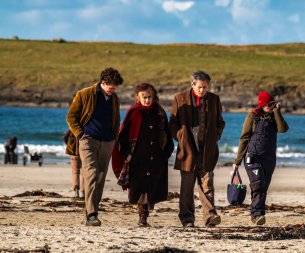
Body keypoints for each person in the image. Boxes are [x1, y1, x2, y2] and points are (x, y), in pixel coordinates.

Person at [66, 67, 123, 226]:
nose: (113, 90)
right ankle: (92, 214)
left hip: (108, 141)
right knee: (91, 174)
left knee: (100, 177)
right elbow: (71, 117)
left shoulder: (114, 98)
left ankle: (92, 213)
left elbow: (116, 119)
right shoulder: (85, 94)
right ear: (103, 82)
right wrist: (80, 135)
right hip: (88, 140)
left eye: (115, 88)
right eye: (111, 87)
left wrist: (115, 138)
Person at [112, 83, 174, 227]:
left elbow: (168, 134)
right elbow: (123, 137)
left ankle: (145, 214)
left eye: (149, 97)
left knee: (153, 188)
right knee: (140, 189)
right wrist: (127, 153)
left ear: (154, 97)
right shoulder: (133, 112)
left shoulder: (160, 112)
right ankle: (142, 217)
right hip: (137, 157)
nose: (147, 100)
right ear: (138, 98)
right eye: (144, 97)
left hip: (157, 157)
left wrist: (166, 154)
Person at [169, 70, 225, 228]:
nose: (203, 90)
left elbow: (220, 122)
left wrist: (216, 136)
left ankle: (210, 216)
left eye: (205, 87)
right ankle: (187, 219)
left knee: (207, 186)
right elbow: (172, 123)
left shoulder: (214, 99)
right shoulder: (179, 98)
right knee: (186, 188)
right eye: (200, 87)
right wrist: (180, 137)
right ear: (192, 85)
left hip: (208, 151)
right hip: (187, 151)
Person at [233, 91, 289, 226]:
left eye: (273, 103)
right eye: (269, 104)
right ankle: (257, 214)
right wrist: (237, 162)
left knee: (263, 186)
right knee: (258, 184)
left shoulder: (274, 117)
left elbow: (283, 129)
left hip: (269, 159)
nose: (271, 106)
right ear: (262, 104)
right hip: (253, 157)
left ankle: (257, 214)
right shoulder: (252, 116)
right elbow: (244, 138)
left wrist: (277, 111)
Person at [64, 130, 84, 198]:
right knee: (83, 173)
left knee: (75, 172)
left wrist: (69, 146)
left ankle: (76, 191)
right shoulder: (84, 131)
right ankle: (83, 191)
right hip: (84, 153)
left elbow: (65, 137)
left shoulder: (72, 130)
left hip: (74, 153)